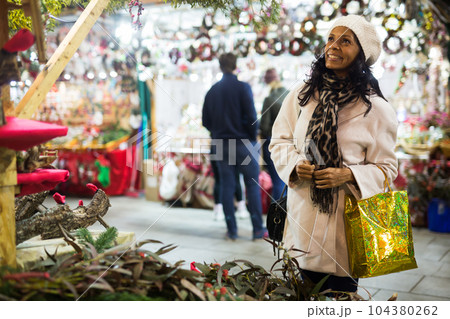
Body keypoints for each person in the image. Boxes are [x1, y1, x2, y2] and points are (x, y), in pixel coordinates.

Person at [269, 15, 398, 294]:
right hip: (301, 219)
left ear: (361, 55)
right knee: (298, 294)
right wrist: (294, 164)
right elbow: (279, 141)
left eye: (346, 41)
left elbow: (387, 168)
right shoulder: (302, 95)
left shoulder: (375, 109)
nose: (334, 46)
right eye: (330, 39)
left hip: (343, 231)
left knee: (338, 299)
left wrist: (348, 174)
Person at [202, 52, 268, 241]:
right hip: (244, 144)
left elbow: (205, 121)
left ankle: (232, 230)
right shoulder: (243, 88)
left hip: (221, 145)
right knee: (252, 186)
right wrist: (251, 137)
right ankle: (257, 229)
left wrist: (217, 133)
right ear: (235, 65)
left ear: (220, 66)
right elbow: (252, 117)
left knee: (227, 186)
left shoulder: (212, 91)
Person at [259, 68, 288, 201]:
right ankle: (287, 216)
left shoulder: (269, 99)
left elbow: (264, 127)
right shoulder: (291, 95)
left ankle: (277, 217)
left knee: (277, 182)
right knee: (288, 182)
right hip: (292, 143)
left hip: (274, 143)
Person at [210, 146, 249, 221]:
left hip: (217, 145)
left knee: (219, 179)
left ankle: (219, 210)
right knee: (236, 177)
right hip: (233, 145)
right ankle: (241, 208)